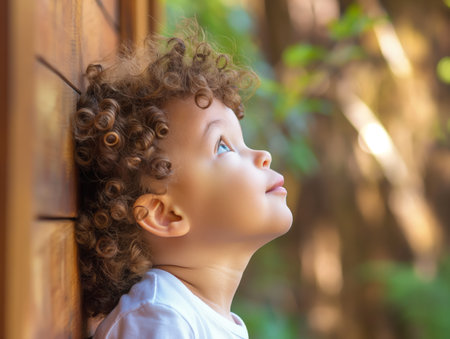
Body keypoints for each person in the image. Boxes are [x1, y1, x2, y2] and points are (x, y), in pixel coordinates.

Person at [72, 24, 293, 339]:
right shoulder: (160, 315)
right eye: (223, 146)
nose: (263, 155)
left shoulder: (203, 319)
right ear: (166, 214)